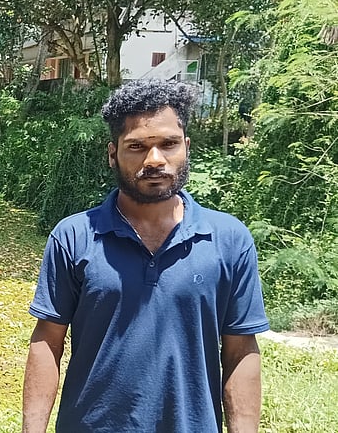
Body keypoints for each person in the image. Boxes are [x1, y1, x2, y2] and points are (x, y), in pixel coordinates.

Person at [22, 79, 269, 432]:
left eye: (168, 144)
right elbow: (48, 340)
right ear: (112, 154)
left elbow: (240, 349)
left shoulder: (228, 240)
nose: (154, 160)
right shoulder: (74, 237)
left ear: (186, 147)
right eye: (136, 146)